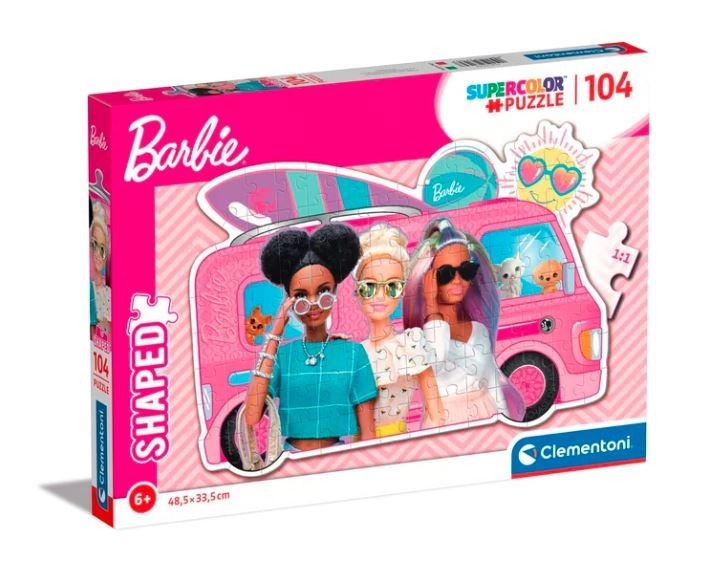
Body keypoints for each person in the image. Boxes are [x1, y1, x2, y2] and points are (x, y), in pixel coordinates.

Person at [244, 223, 378, 452]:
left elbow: (368, 432)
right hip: (290, 460)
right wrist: (276, 332)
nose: (314, 303)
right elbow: (252, 416)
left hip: (338, 460)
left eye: (323, 291)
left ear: (335, 291)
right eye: (301, 295)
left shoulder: (353, 353)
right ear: (289, 299)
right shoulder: (283, 356)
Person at [403, 218, 525, 425]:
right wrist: (431, 306)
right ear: (427, 279)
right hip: (446, 422)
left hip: (487, 415)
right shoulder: (419, 337)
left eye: (466, 270)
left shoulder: (479, 330)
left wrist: (508, 423)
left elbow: (493, 384)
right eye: (446, 274)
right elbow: (437, 360)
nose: (457, 280)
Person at [354, 223, 445, 437]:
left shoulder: (410, 344)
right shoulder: (354, 354)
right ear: (357, 290)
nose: (380, 296)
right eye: (369, 286)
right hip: (357, 448)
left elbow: (437, 414)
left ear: (402, 291)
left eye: (392, 287)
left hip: (397, 444)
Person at [90, 201, 111, 340]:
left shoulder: (108, 294)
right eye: (94, 244)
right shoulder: (89, 288)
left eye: (102, 248)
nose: (98, 254)